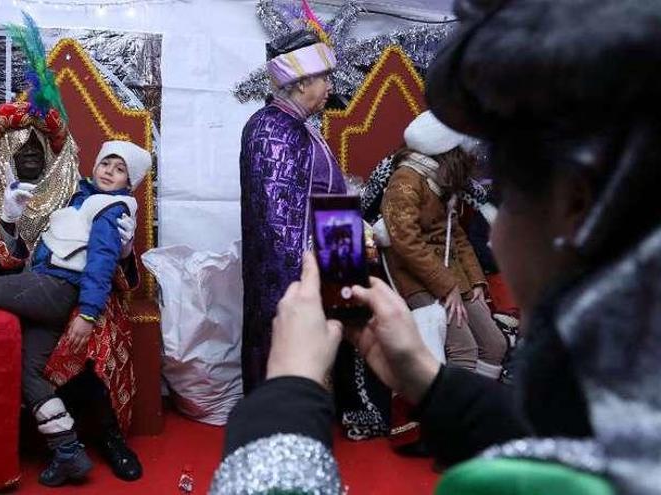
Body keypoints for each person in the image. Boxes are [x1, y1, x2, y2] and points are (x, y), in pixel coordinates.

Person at [212, 0, 661, 493]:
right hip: (303, 268)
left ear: (576, 206)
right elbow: (282, 219)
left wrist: (286, 398)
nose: (496, 231)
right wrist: (430, 382)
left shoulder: (514, 483)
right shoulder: (272, 129)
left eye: (505, 197)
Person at [0, 137, 151, 487]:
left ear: (131, 181)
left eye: (120, 168)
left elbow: (100, 264)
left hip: (71, 296)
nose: (109, 171)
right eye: (106, 163)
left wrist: (91, 310)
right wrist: (8, 217)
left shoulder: (110, 209)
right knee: (31, 372)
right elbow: (13, 253)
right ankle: (68, 451)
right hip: (46, 292)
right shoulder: (70, 195)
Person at [239, 28, 343, 393]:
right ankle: (278, 431)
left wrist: (345, 251)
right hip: (288, 271)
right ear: (301, 83)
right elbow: (278, 217)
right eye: (325, 77)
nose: (331, 86)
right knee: (282, 352)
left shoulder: (295, 125)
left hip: (316, 258)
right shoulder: (273, 128)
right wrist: (305, 276)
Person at [380, 111, 507, 378]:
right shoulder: (406, 179)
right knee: (464, 350)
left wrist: (475, 281)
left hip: (451, 273)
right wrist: (446, 286)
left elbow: (456, 234)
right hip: (419, 278)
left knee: (495, 345)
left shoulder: (441, 177)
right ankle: (459, 415)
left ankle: (479, 406)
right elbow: (405, 241)